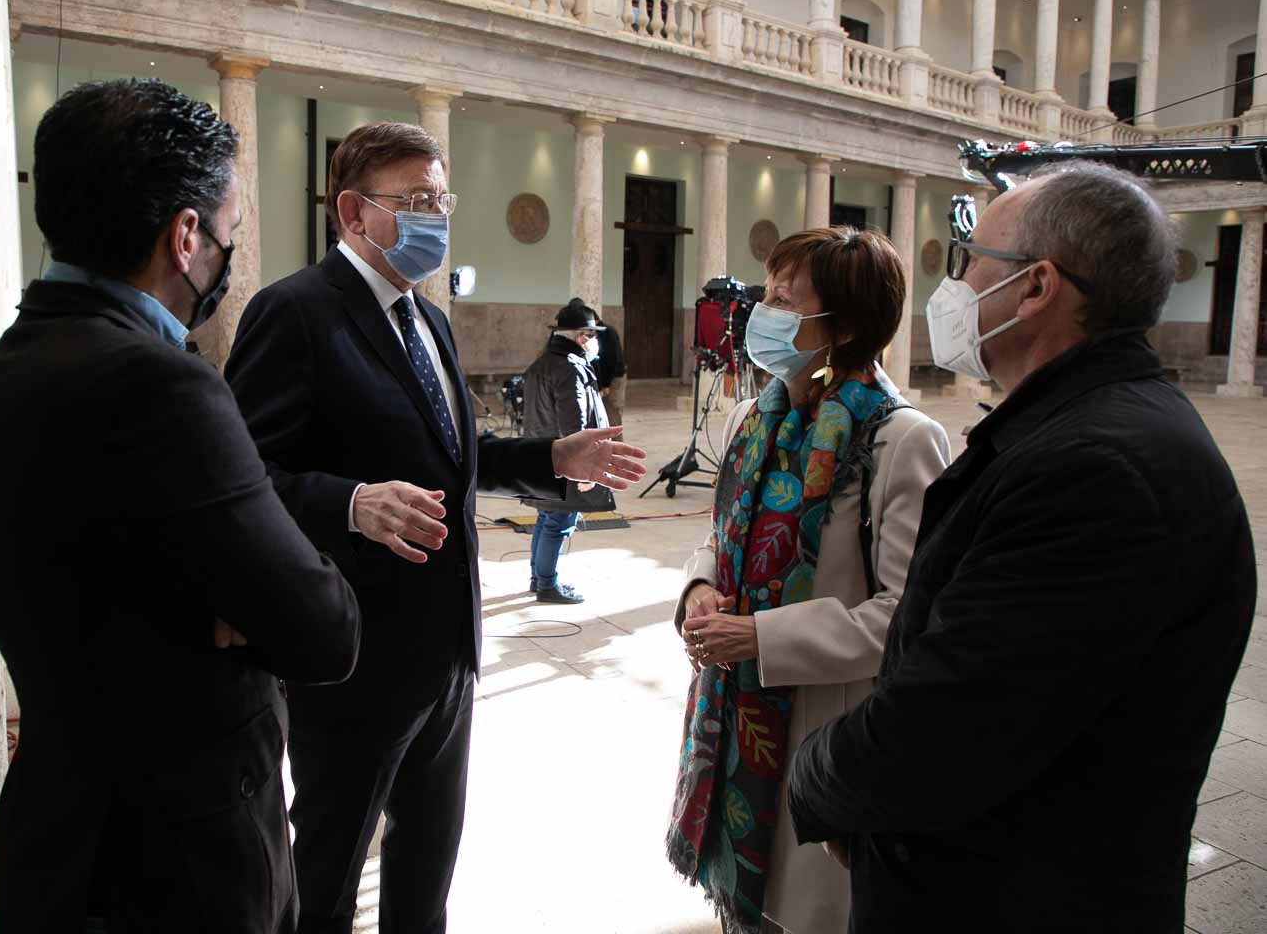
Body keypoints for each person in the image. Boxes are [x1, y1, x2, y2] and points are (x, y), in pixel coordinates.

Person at [787, 163, 1257, 932]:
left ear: (1035, 286)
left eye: (969, 259)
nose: (955, 284)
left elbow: (948, 727)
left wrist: (813, 778)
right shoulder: (1085, 427)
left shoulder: (1095, 469)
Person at [0, 79, 362, 934]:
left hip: (57, 834)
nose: (226, 254)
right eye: (228, 234)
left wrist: (218, 597)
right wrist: (249, 594)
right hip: (178, 862)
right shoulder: (161, 383)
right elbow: (322, 628)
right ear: (185, 237)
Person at [223, 121, 647, 934]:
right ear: (353, 211)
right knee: (325, 884)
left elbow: (454, 456)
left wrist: (553, 455)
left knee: (424, 879)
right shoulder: (296, 312)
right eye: (416, 201)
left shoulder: (429, 319)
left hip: (448, 655)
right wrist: (351, 502)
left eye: (441, 201)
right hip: (354, 663)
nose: (436, 219)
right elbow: (244, 478)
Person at [666, 227, 952, 934]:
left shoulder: (899, 439)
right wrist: (700, 588)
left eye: (785, 301)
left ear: (844, 327)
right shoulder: (752, 418)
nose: (762, 313)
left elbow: (906, 614)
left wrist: (760, 637)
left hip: (823, 723)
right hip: (731, 714)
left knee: (808, 913)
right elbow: (721, 536)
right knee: (746, 906)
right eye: (766, 294)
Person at [520, 299, 612, 604]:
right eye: (593, 335)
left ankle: (539, 578)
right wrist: (584, 469)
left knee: (546, 518)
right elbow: (574, 424)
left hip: (540, 453)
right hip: (563, 459)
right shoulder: (570, 368)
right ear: (582, 336)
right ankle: (547, 585)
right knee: (558, 523)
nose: (595, 342)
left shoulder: (541, 364)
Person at [588, 301, 628, 425]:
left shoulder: (608, 332)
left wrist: (606, 385)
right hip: (604, 378)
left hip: (614, 377)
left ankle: (616, 436)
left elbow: (612, 360)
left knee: (613, 409)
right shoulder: (593, 334)